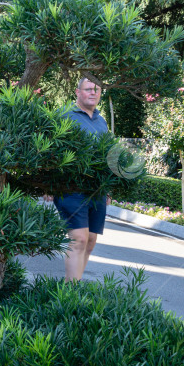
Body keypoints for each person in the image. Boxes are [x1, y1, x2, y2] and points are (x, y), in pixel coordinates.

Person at [45, 76, 112, 282]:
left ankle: (74, 285)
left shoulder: (101, 121)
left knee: (90, 241)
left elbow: (107, 156)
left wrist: (108, 188)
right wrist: (48, 183)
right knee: (79, 238)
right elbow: (50, 150)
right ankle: (70, 290)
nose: (93, 92)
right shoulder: (64, 115)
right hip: (69, 187)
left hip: (96, 190)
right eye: (88, 89)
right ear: (77, 92)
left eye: (97, 89)